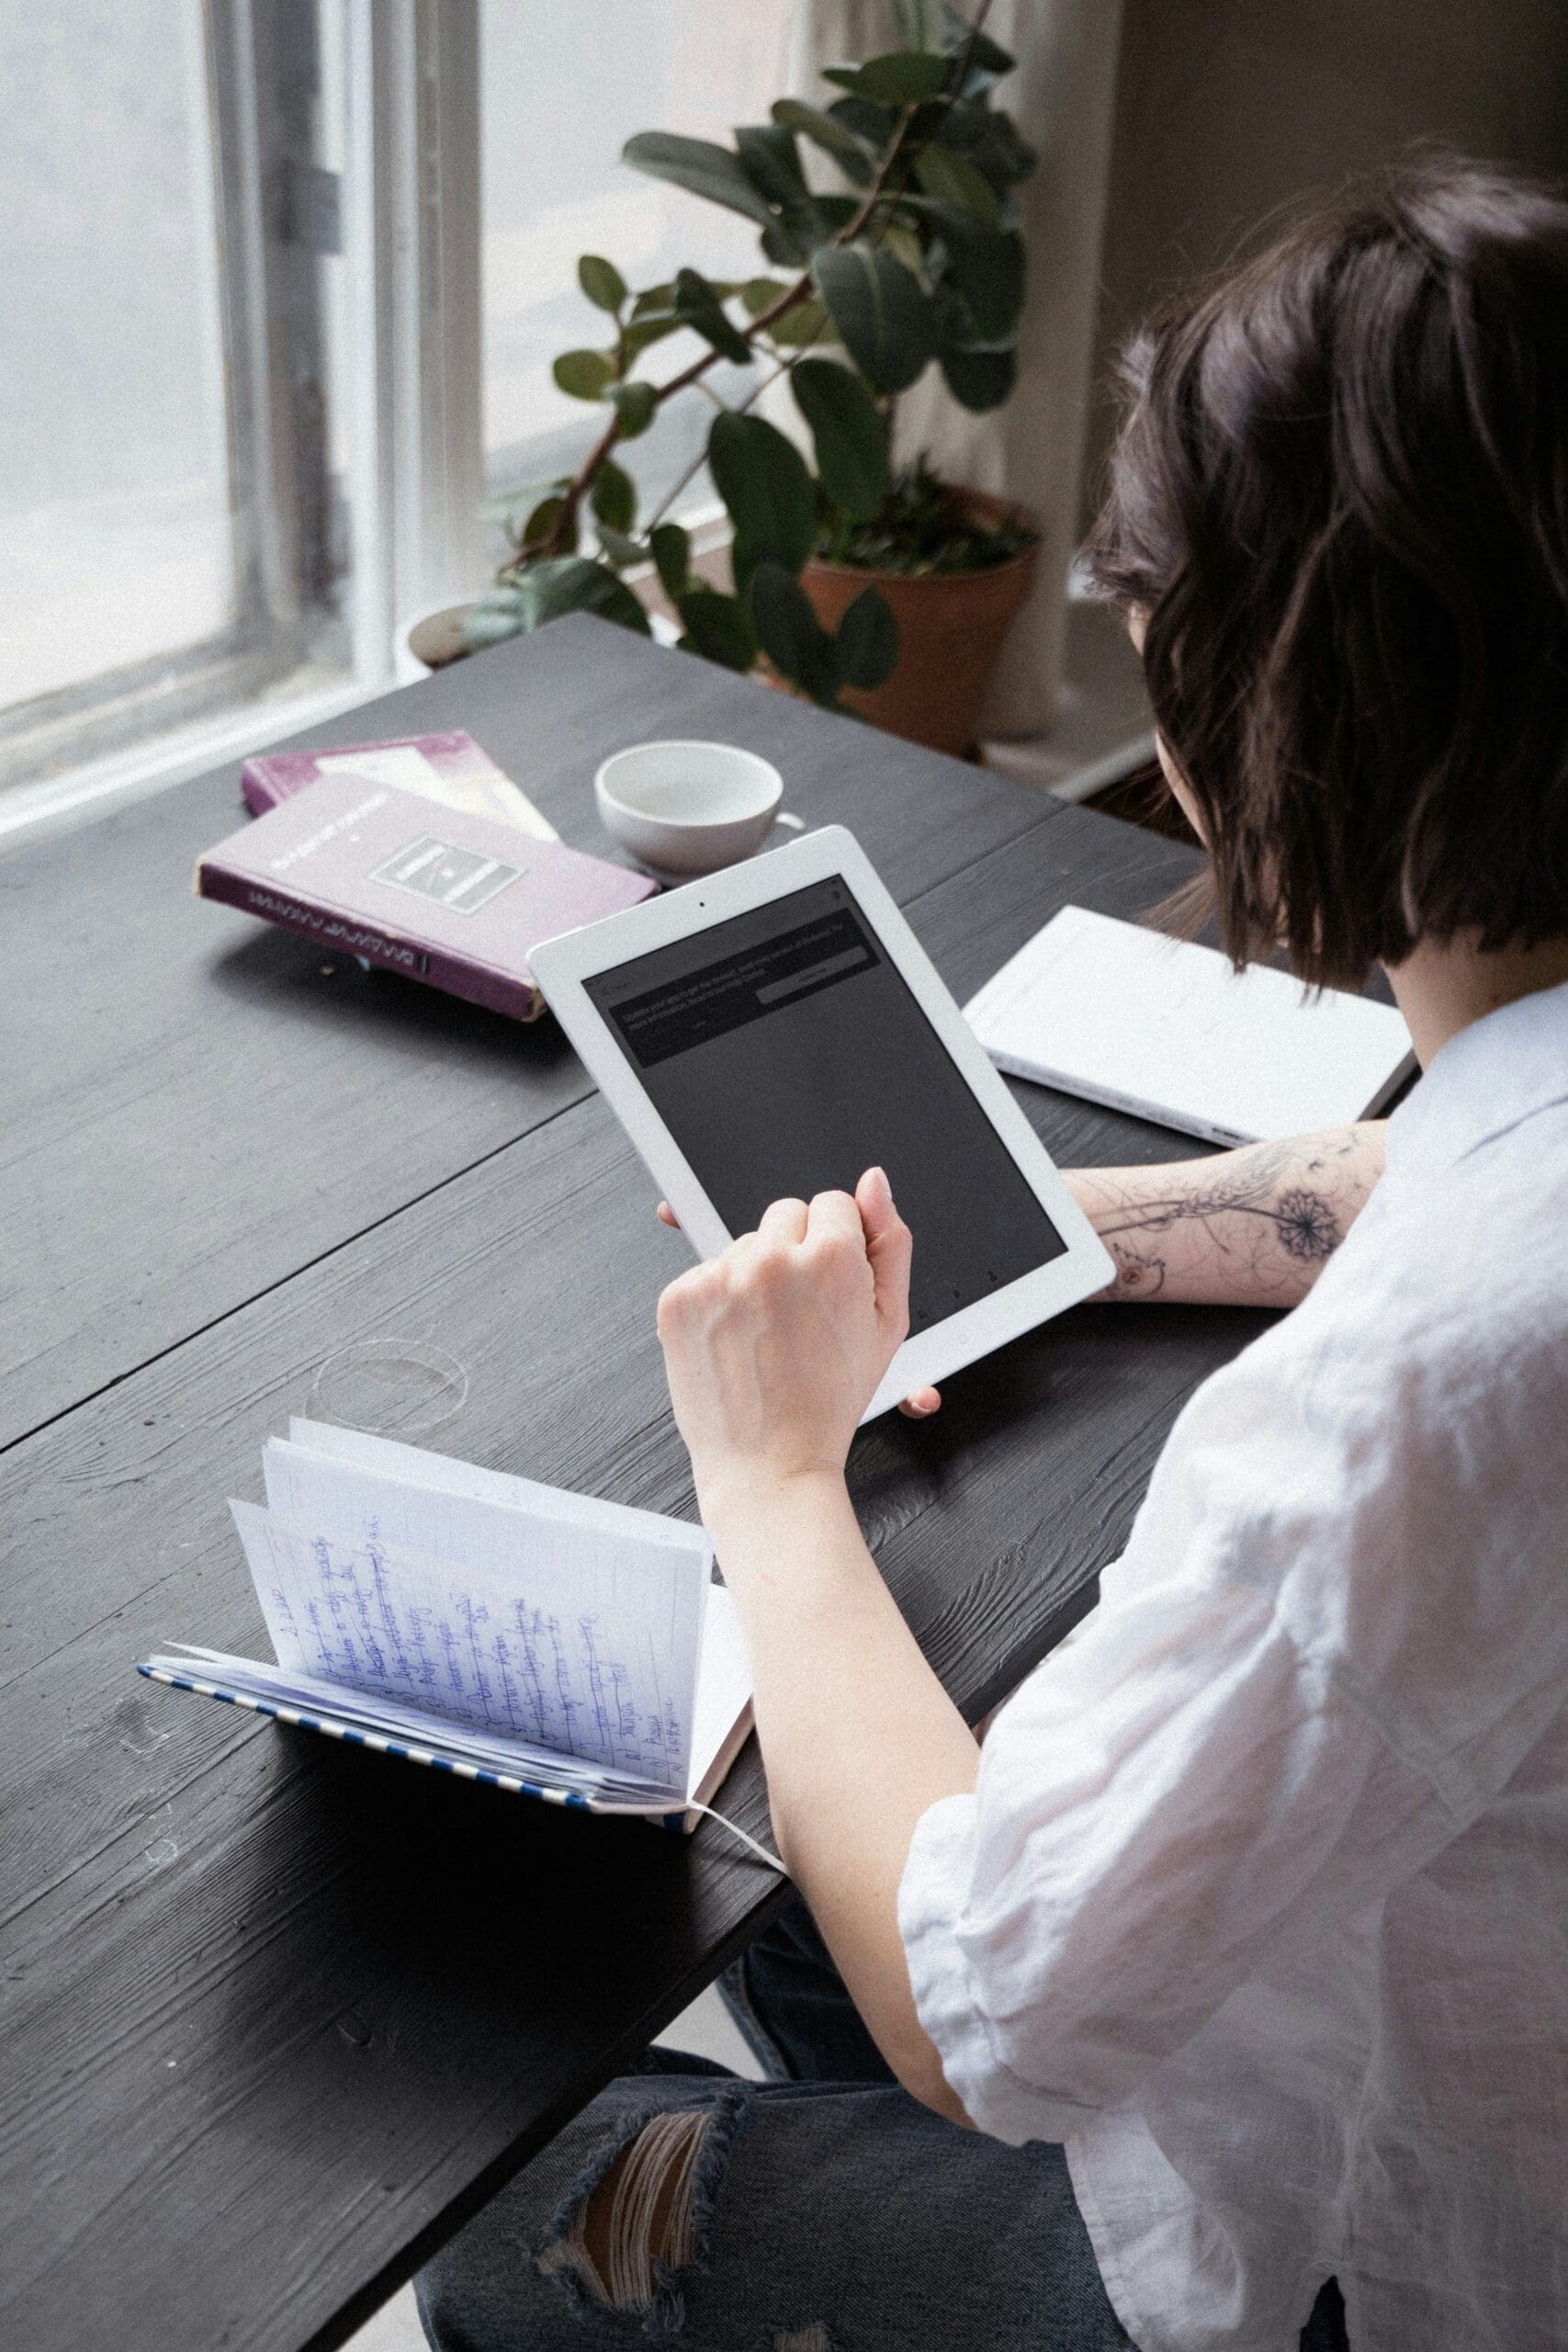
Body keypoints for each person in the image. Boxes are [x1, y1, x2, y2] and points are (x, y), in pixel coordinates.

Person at [418, 159, 1568, 2352]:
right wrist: (1052, 1231)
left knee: (508, 2197)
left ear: (1280, 704)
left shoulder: (1419, 1384)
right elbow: (1411, 1180)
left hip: (1357, 2266)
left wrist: (769, 1471)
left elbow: (988, 2010)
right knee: (771, 1869)